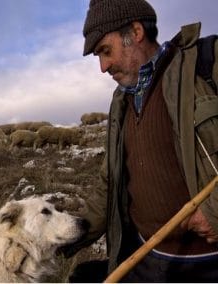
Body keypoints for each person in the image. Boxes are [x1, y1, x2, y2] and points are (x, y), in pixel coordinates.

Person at [70, 0, 218, 282]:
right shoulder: (121, 102)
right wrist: (63, 235)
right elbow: (109, 184)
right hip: (145, 259)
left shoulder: (205, 64)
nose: (103, 67)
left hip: (208, 264)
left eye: (105, 51)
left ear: (136, 32)